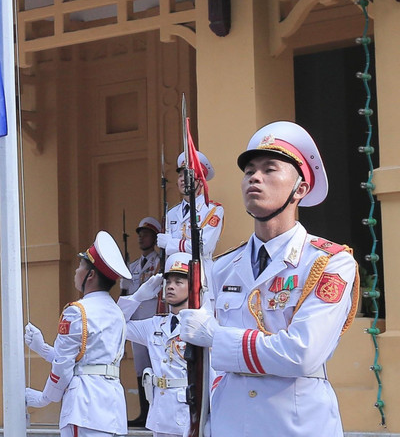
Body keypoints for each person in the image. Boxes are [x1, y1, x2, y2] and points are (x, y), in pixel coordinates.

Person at [179, 121, 360, 437]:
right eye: (249, 171)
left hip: (294, 424)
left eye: (269, 169)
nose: (255, 178)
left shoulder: (328, 262)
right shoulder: (221, 267)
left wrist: (216, 338)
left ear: (299, 188)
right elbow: (205, 364)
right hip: (229, 422)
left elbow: (302, 354)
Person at [24, 231, 131, 437]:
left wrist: (44, 399)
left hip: (84, 407)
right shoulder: (117, 311)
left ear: (90, 275)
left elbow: (65, 366)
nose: (76, 270)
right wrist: (43, 348)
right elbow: (86, 360)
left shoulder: (77, 311)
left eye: (81, 265)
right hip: (113, 409)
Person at [119, 253, 194, 437]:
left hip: (188, 414)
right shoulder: (154, 325)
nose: (170, 287)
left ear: (192, 286)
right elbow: (113, 325)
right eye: (168, 282)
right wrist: (136, 297)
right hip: (160, 415)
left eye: (179, 282)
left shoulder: (201, 324)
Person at [120, 217, 163, 428]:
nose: (140, 237)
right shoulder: (133, 266)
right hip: (137, 323)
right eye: (139, 234)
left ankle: (156, 412)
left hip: (154, 320)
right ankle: (144, 413)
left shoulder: (160, 262)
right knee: (141, 369)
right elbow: (125, 293)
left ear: (155, 237)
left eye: (145, 233)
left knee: (156, 366)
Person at [158, 151, 224, 276]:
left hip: (200, 274)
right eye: (180, 176)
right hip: (175, 273)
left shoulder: (212, 210)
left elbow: (203, 247)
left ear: (200, 180)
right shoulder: (171, 213)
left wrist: (170, 243)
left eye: (187, 175)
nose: (183, 179)